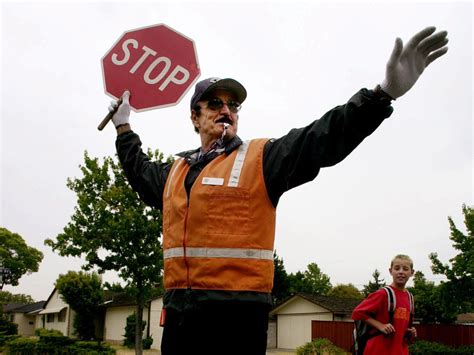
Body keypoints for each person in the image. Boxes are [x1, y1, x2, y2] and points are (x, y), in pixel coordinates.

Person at [109, 27, 447, 355]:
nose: (226, 111)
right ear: (195, 117)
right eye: (214, 103)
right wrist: (124, 127)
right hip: (180, 318)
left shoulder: (262, 158)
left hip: (237, 320)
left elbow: (322, 138)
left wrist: (379, 96)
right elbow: (140, 173)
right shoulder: (175, 172)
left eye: (233, 105)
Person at [352, 255, 417, 355]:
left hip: (401, 350)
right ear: (390, 271)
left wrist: (411, 333)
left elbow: (403, 329)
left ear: (411, 273)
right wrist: (380, 325)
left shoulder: (410, 297)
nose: (401, 272)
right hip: (378, 350)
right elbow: (357, 313)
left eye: (405, 269)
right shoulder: (383, 294)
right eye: (397, 268)